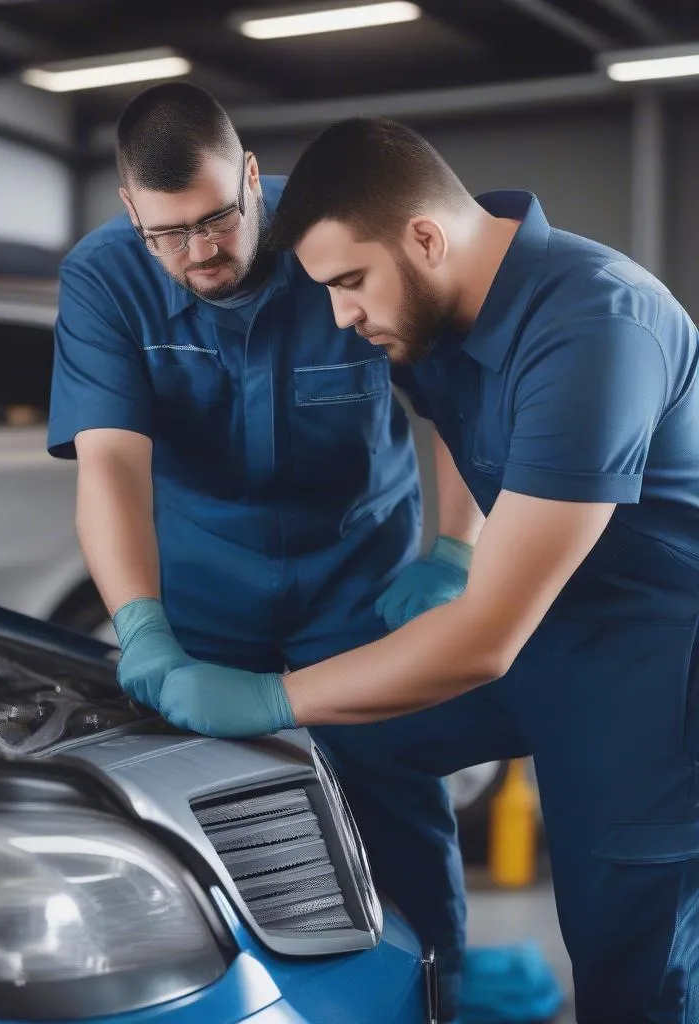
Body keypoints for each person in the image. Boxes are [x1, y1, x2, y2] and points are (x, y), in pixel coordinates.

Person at [152, 115, 699, 1024]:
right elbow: (462, 420)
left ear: (425, 235)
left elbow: (483, 638)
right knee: (354, 747)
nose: (341, 314)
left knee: (624, 965)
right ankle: (421, 985)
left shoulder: (597, 326)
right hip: (544, 627)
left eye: (350, 282)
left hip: (652, 665)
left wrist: (272, 696)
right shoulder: (441, 308)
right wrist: (457, 546)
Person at [47, 85, 484, 1016]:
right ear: (131, 213)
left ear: (252, 178)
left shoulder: (334, 232)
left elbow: (451, 396)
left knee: (392, 792)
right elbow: (111, 468)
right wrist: (143, 628)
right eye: (170, 233)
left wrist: (454, 551)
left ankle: (440, 990)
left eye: (217, 218)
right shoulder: (104, 277)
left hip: (359, 576)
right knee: (198, 809)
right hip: (205, 588)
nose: (202, 249)